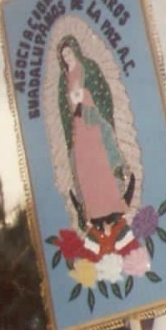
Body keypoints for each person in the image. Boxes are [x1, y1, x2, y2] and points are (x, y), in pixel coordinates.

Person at [57, 34, 134, 231]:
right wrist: (73, 103)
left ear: (74, 50)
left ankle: (112, 206)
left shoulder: (88, 68)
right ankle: (93, 212)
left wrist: (84, 98)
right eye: (63, 55)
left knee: (101, 166)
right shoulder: (63, 78)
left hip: (93, 123)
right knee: (85, 169)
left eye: (68, 52)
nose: (67, 57)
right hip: (78, 127)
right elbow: (64, 107)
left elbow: (102, 93)